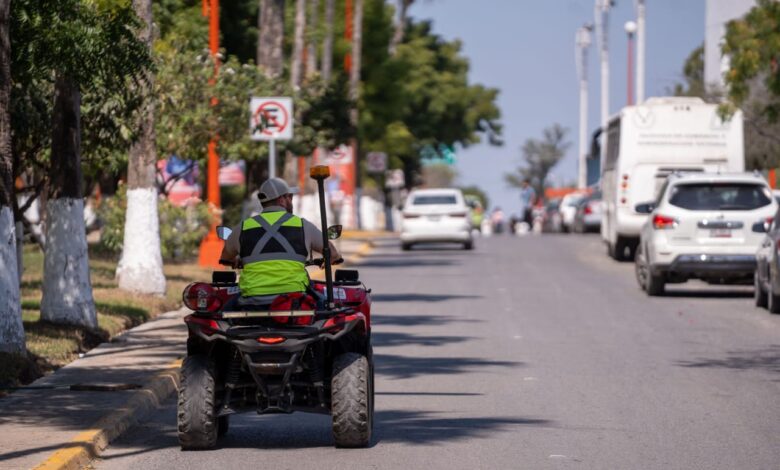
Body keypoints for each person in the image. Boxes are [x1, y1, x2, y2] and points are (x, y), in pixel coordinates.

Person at [219, 177, 341, 304]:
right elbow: (332, 253)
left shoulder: (243, 227)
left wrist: (237, 261)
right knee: (326, 306)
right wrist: (331, 259)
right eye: (290, 197)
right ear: (282, 200)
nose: (291, 201)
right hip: (294, 299)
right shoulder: (302, 225)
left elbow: (226, 257)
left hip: (252, 301)